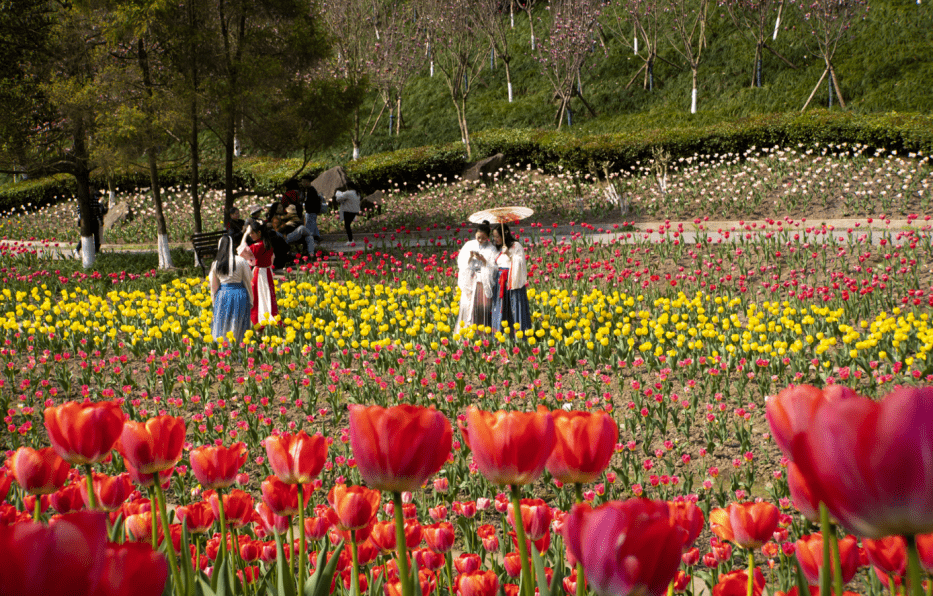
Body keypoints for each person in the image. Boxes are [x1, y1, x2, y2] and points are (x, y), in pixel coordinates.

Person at [209, 234, 253, 345]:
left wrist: (214, 300)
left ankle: (224, 347)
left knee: (223, 322)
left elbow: (213, 285)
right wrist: (250, 297)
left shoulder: (216, 263)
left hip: (223, 294)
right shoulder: (241, 261)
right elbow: (248, 279)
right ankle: (238, 347)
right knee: (238, 321)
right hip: (239, 294)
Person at [455, 221, 499, 333]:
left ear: (488, 237)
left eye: (483, 238)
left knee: (481, 307)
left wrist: (484, 261)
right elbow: (461, 263)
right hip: (470, 278)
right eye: (478, 237)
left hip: (482, 280)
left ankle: (481, 334)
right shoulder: (469, 245)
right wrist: (469, 258)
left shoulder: (492, 249)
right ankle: (466, 332)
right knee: (467, 305)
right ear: (475, 234)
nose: (480, 240)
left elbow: (494, 267)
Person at [491, 223, 532, 337]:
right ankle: (500, 335)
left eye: (497, 237)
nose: (495, 239)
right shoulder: (497, 249)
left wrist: (509, 254)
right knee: (500, 306)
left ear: (504, 235)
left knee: (515, 306)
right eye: (494, 237)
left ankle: (519, 336)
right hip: (500, 281)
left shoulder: (516, 246)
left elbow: (520, 263)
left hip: (512, 280)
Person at [239, 219, 278, 326]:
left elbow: (241, 250)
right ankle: (267, 315)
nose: (251, 235)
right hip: (268, 272)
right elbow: (272, 259)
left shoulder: (258, 246)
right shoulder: (267, 244)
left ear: (259, 233)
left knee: (257, 296)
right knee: (267, 295)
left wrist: (245, 234)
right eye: (250, 233)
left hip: (259, 273)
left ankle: (258, 318)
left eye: (252, 233)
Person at [74, 191, 109, 256]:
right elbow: (80, 211)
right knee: (89, 236)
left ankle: (95, 251)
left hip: (91, 220)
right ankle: (78, 250)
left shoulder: (91, 200)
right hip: (89, 221)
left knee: (93, 236)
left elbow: (97, 211)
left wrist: (100, 219)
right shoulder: (86, 200)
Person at [299, 175, 323, 243]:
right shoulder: (309, 190)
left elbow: (313, 202)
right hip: (311, 211)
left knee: (310, 226)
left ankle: (312, 240)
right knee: (313, 225)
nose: (302, 184)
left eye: (303, 182)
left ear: (308, 182)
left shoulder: (311, 190)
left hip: (311, 211)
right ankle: (316, 237)